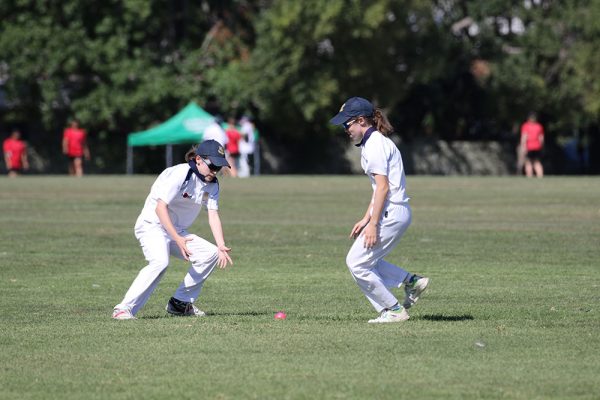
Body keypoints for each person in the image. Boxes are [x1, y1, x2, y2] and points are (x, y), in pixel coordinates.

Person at [330, 97, 429, 324]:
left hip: (391, 213)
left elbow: (383, 187)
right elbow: (379, 189)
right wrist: (366, 218)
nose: (345, 129)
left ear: (361, 121)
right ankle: (411, 281)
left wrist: (373, 223)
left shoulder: (374, 146)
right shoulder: (375, 143)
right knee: (364, 261)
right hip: (393, 211)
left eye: (347, 124)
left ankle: (393, 309)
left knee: (357, 263)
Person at [112, 140, 233, 320]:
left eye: (219, 167)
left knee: (211, 254)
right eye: (213, 165)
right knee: (160, 262)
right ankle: (123, 309)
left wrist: (221, 245)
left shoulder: (212, 184)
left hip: (176, 231)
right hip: (152, 225)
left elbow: (213, 214)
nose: (215, 171)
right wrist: (177, 238)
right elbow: (160, 208)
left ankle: (179, 303)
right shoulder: (180, 173)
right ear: (198, 159)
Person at [520, 113, 544, 178]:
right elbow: (541, 138)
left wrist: (523, 146)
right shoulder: (539, 126)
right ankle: (540, 176)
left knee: (528, 162)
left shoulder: (526, 126)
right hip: (537, 147)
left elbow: (524, 137)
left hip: (529, 147)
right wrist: (541, 146)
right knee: (537, 162)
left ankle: (529, 176)